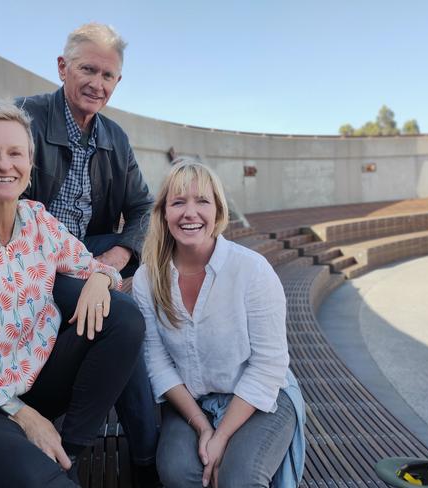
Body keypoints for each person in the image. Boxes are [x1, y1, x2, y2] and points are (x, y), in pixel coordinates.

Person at [0, 100, 146, 487]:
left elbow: (96, 265)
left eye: (14, 153)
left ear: (30, 162)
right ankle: (51, 464)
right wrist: (24, 416)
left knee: (124, 318)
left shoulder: (37, 220)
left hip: (35, 381)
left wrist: (101, 279)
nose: (4, 165)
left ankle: (69, 448)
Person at [16, 22, 159, 485]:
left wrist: (114, 259)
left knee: (122, 311)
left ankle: (140, 455)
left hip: (92, 250)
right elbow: (5, 203)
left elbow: (141, 206)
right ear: (63, 67)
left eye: (109, 75)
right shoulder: (26, 117)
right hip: (34, 255)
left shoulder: (114, 137)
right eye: (87, 69)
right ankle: (128, 455)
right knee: (122, 315)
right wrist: (93, 275)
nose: (98, 83)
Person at [131, 159, 306, 488]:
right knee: (178, 473)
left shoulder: (252, 270)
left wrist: (221, 435)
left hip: (260, 397)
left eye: (202, 201)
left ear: (218, 211)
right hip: (192, 401)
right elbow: (156, 362)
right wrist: (202, 427)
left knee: (239, 479)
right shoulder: (147, 278)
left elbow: (269, 365)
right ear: (163, 213)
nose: (190, 213)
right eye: (178, 202)